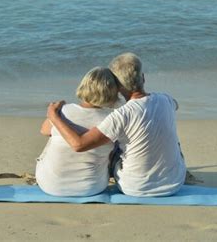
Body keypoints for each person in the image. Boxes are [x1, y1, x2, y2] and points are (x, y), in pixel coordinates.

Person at [47, 53, 186, 197]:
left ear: (118, 87)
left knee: (112, 147)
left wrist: (54, 116)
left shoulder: (120, 115)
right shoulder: (166, 99)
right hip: (175, 183)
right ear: (143, 77)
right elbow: (175, 105)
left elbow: (79, 145)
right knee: (170, 138)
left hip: (135, 187)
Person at [36, 67, 119, 197]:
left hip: (50, 185)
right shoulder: (113, 118)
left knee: (54, 134)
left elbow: (44, 130)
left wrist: (55, 112)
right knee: (113, 145)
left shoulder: (64, 111)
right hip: (92, 187)